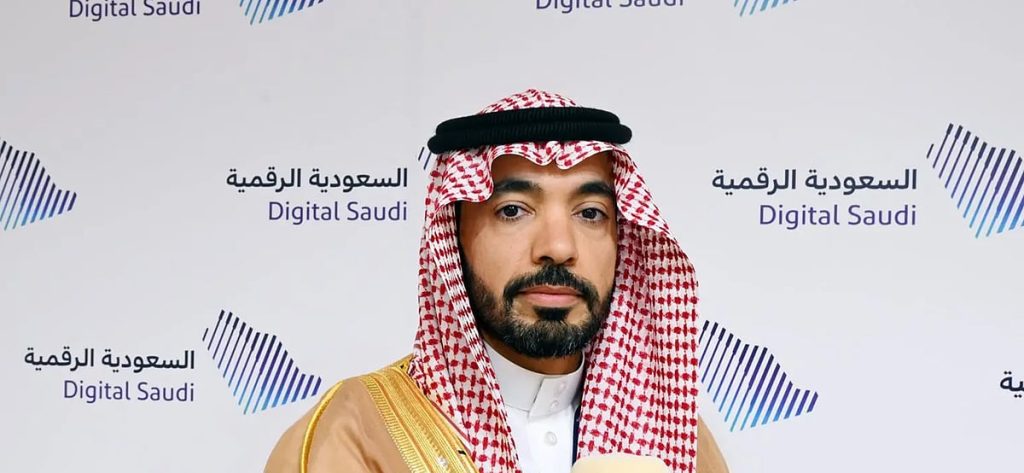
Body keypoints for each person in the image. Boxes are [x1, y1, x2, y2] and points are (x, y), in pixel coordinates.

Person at [264, 89, 729, 473]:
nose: (558, 247)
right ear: (454, 238)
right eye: (513, 211)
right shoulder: (359, 430)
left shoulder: (675, 440)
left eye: (590, 213)